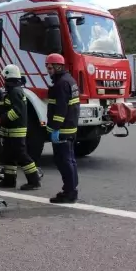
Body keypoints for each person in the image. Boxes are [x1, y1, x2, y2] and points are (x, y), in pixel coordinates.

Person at [0, 64, 41, 190]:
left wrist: (2, 119)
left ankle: (34, 180)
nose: (3, 80)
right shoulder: (13, 91)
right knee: (8, 156)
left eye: (4, 77)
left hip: (16, 131)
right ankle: (9, 181)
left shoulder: (15, 92)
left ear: (8, 77)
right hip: (9, 131)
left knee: (21, 155)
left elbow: (17, 111)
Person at [45, 53, 80, 203]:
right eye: (47, 66)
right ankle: (71, 189)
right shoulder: (70, 81)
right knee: (69, 160)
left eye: (50, 66)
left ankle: (69, 192)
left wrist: (55, 128)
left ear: (59, 66)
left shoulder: (61, 84)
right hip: (70, 128)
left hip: (63, 129)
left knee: (63, 161)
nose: (48, 69)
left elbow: (60, 110)